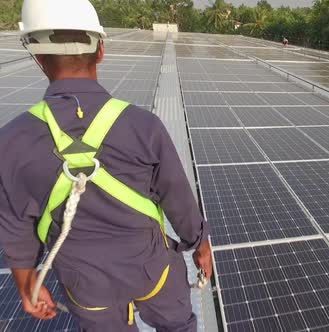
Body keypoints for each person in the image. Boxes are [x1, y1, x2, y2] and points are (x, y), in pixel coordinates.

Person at [0, 0, 212, 331]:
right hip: (152, 270)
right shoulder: (143, 125)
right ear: (100, 50)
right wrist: (200, 244)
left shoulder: (11, 141)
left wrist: (28, 285)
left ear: (38, 57)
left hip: (86, 285)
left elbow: (15, 226)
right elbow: (178, 197)